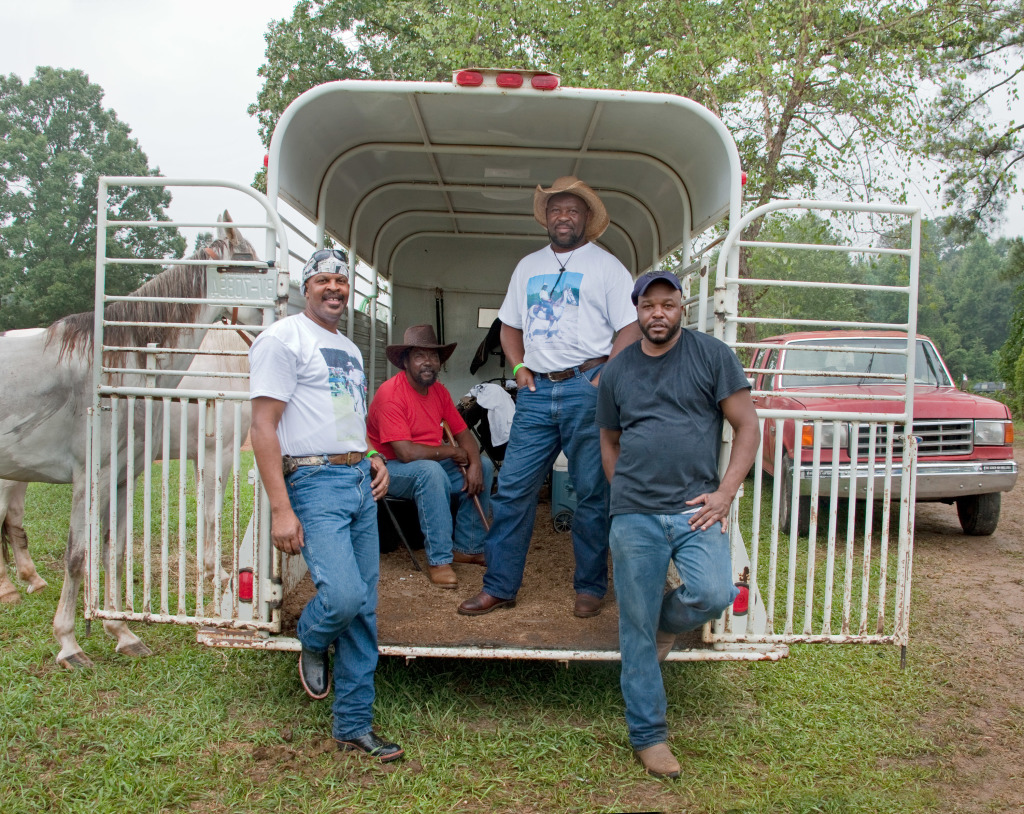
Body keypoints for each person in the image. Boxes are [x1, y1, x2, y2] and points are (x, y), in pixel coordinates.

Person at [595, 269, 760, 778]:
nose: (658, 314)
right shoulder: (618, 370)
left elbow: (748, 425)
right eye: (648, 306)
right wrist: (623, 495)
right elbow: (610, 440)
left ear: (682, 308)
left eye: (667, 304)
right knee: (634, 627)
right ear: (637, 311)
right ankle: (648, 735)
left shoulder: (711, 356)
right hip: (635, 515)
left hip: (696, 509)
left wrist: (726, 492)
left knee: (713, 593)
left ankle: (666, 622)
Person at [458, 176, 642, 618]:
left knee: (592, 493)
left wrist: (604, 379)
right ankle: (500, 586)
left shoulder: (607, 267)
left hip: (586, 386)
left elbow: (630, 327)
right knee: (513, 490)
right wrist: (519, 368)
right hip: (537, 392)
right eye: (556, 209)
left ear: (586, 219)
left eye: (573, 210)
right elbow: (509, 325)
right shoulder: (528, 266)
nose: (564, 217)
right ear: (547, 217)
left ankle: (591, 587)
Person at [248, 248, 403, 763]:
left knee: (365, 612)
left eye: (341, 281)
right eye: (324, 281)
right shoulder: (282, 339)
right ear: (305, 287)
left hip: (359, 477)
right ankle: (313, 637)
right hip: (314, 481)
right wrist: (280, 508)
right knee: (342, 598)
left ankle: (353, 724)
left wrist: (373, 456)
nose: (334, 289)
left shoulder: (350, 349)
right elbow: (263, 426)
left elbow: (345, 414)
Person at [367, 324, 494, 588]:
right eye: (420, 356)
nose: (429, 362)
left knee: (483, 463)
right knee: (430, 472)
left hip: (430, 460)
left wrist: (473, 465)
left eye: (434, 357)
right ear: (405, 361)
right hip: (389, 466)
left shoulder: (439, 391)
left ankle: (467, 548)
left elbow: (464, 435)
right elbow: (406, 452)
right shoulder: (391, 394)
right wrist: (454, 453)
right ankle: (439, 560)